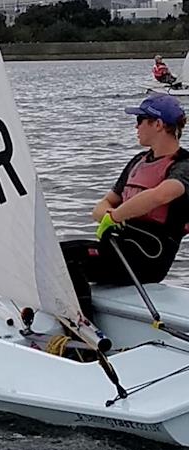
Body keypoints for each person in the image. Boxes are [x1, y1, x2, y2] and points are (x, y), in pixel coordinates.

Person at [61, 94, 189, 318]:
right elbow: (103, 205)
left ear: (158, 124)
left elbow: (160, 195)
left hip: (149, 256)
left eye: (140, 120)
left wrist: (116, 216)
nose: (136, 125)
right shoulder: (138, 161)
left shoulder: (183, 165)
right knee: (56, 254)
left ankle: (84, 330)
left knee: (69, 260)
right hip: (120, 247)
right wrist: (108, 215)